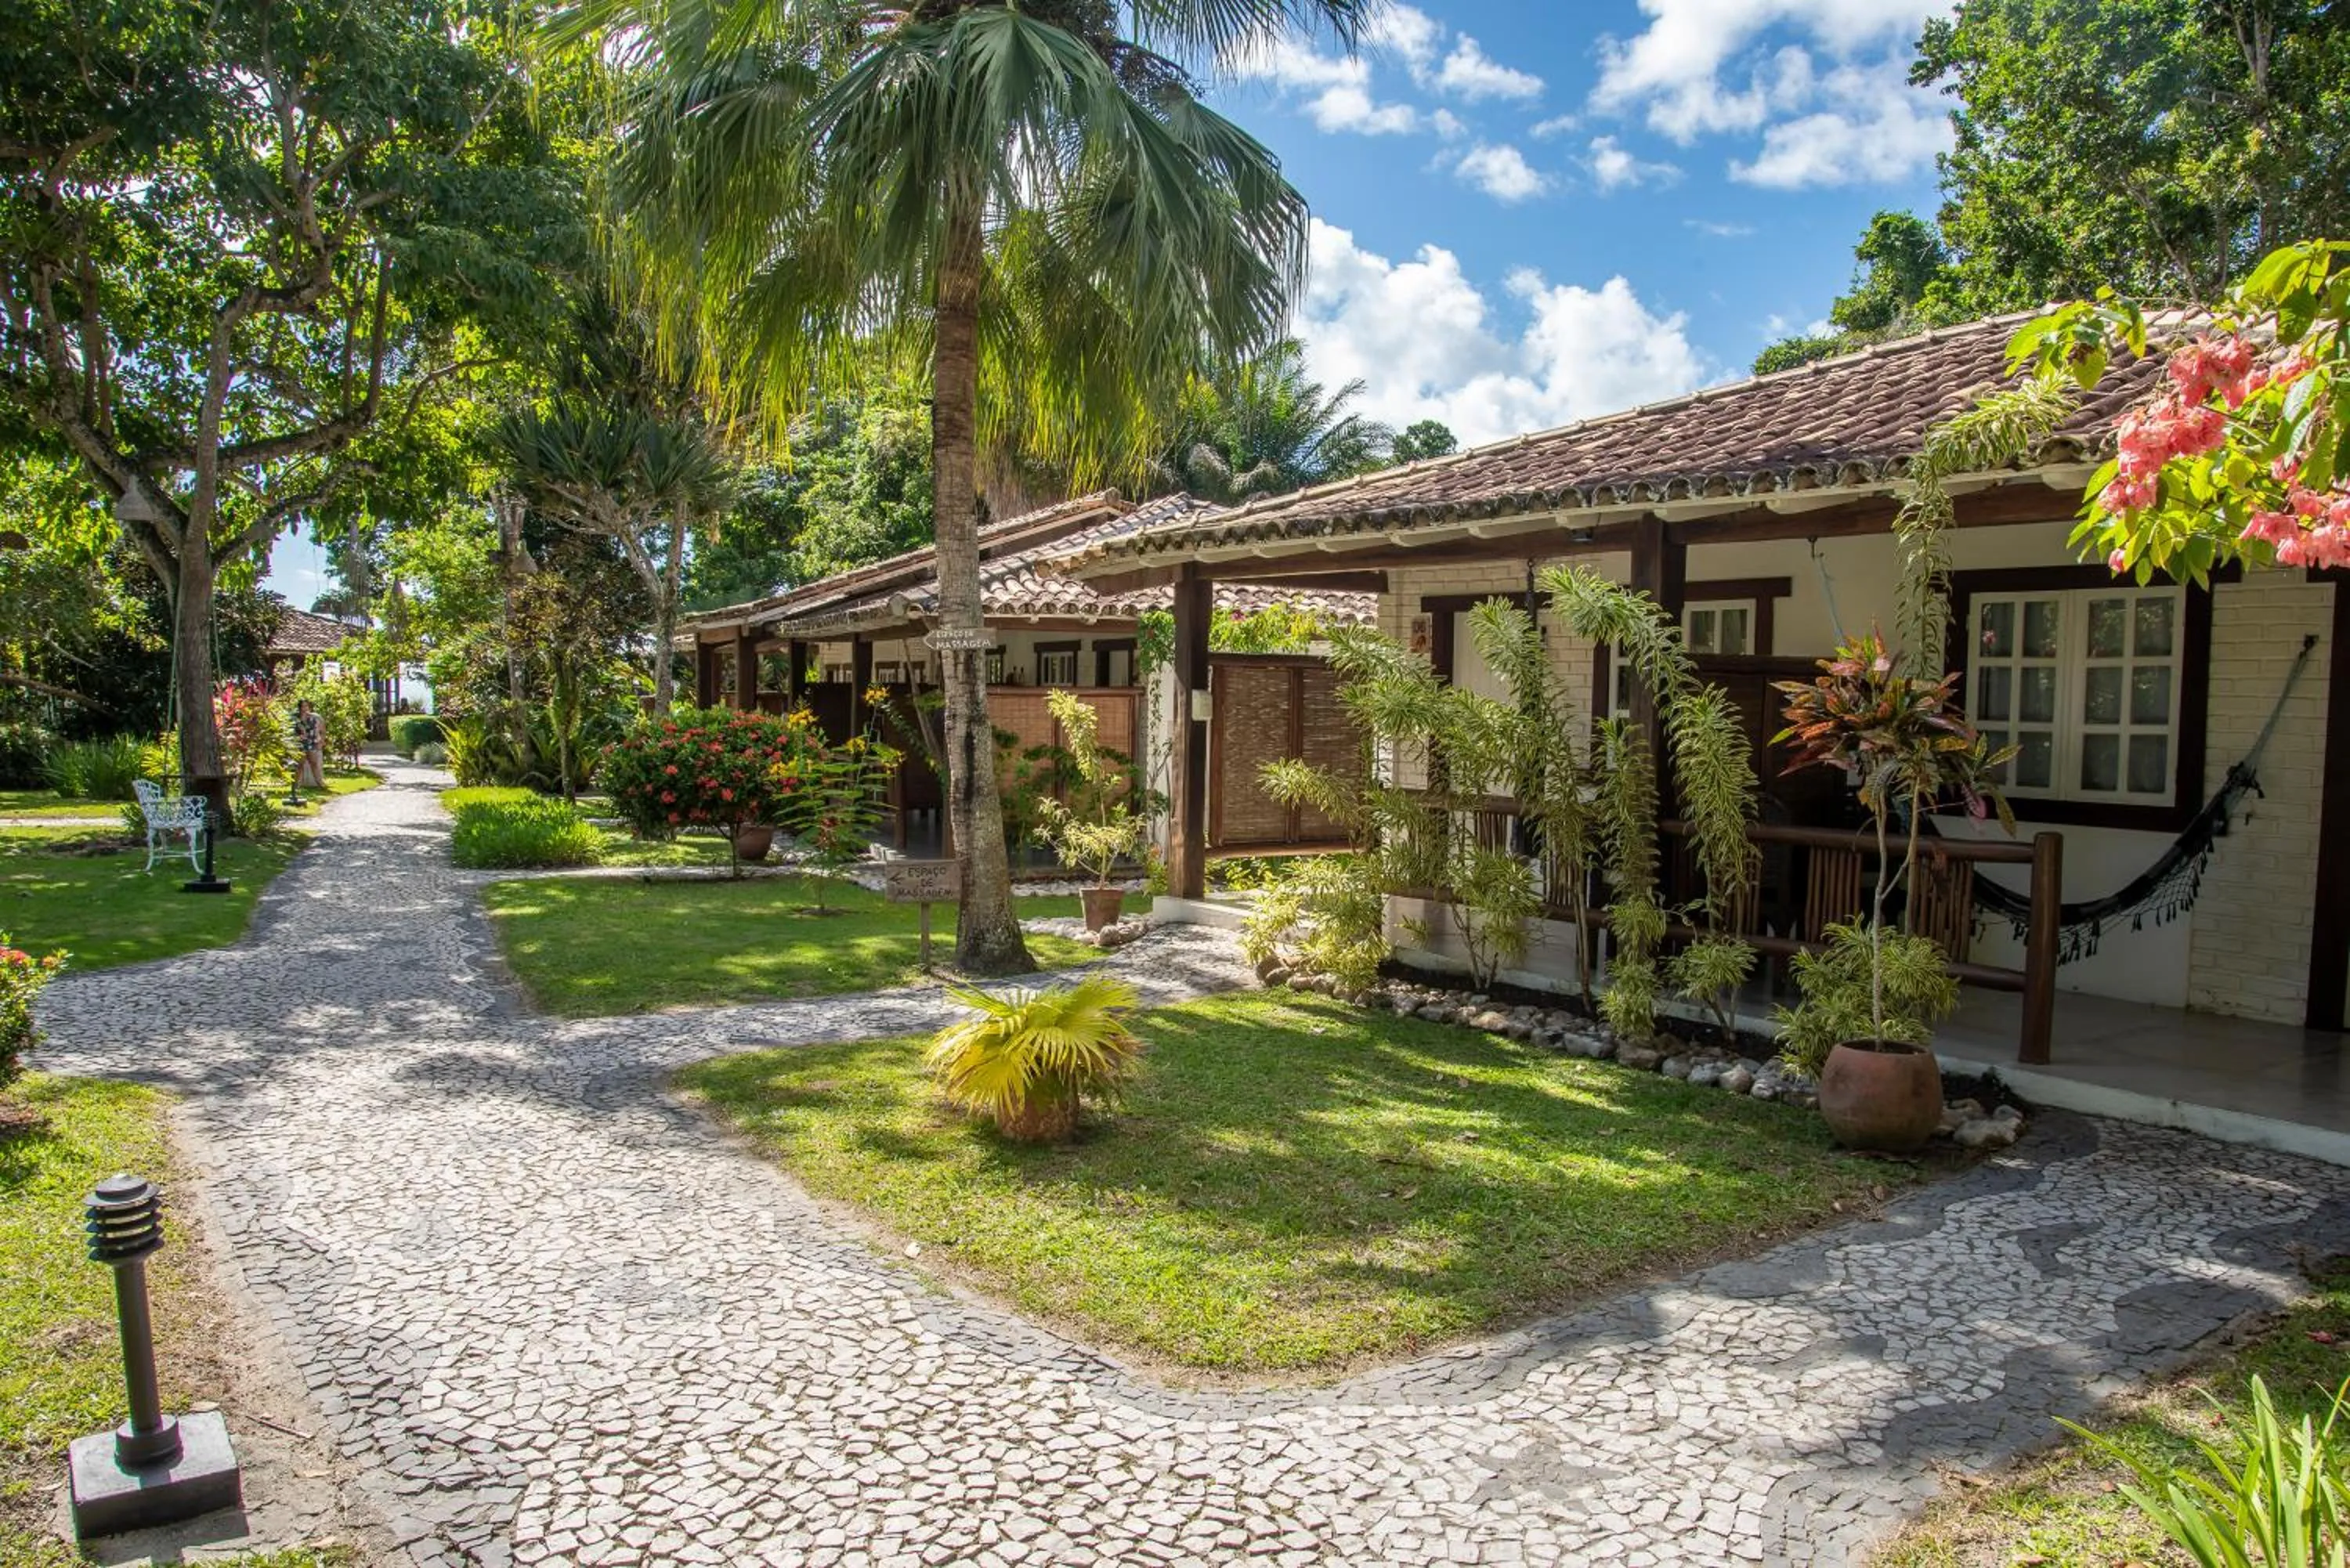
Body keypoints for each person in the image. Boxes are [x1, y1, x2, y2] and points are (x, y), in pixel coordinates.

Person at [292, 699, 327, 792]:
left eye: (307, 706)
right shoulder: (296, 718)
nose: (305, 708)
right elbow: (293, 731)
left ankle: (321, 785)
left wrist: (320, 741)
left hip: (311, 743)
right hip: (300, 744)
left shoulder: (313, 717)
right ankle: (295, 786)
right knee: (300, 765)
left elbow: (321, 729)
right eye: (303, 706)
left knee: (314, 764)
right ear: (300, 707)